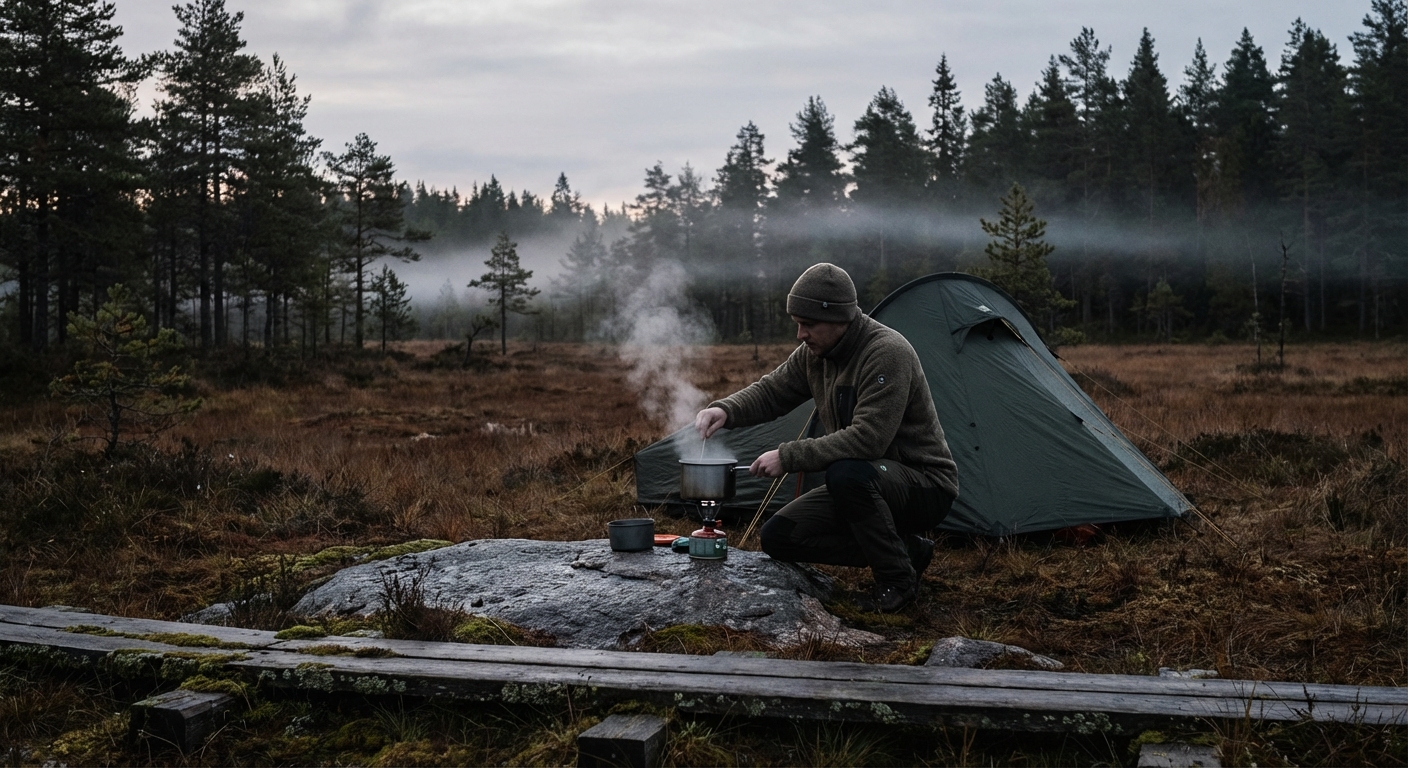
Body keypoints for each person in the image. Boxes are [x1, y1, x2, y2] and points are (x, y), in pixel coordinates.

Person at [694, 263, 958, 612]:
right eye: (797, 324)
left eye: (808, 324)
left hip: (923, 484)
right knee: (780, 536)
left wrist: (787, 457)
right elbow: (773, 391)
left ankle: (897, 581)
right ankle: (908, 551)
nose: (800, 334)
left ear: (839, 319)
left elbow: (868, 440)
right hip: (867, 482)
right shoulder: (815, 354)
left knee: (846, 472)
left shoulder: (886, 352)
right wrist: (726, 410)